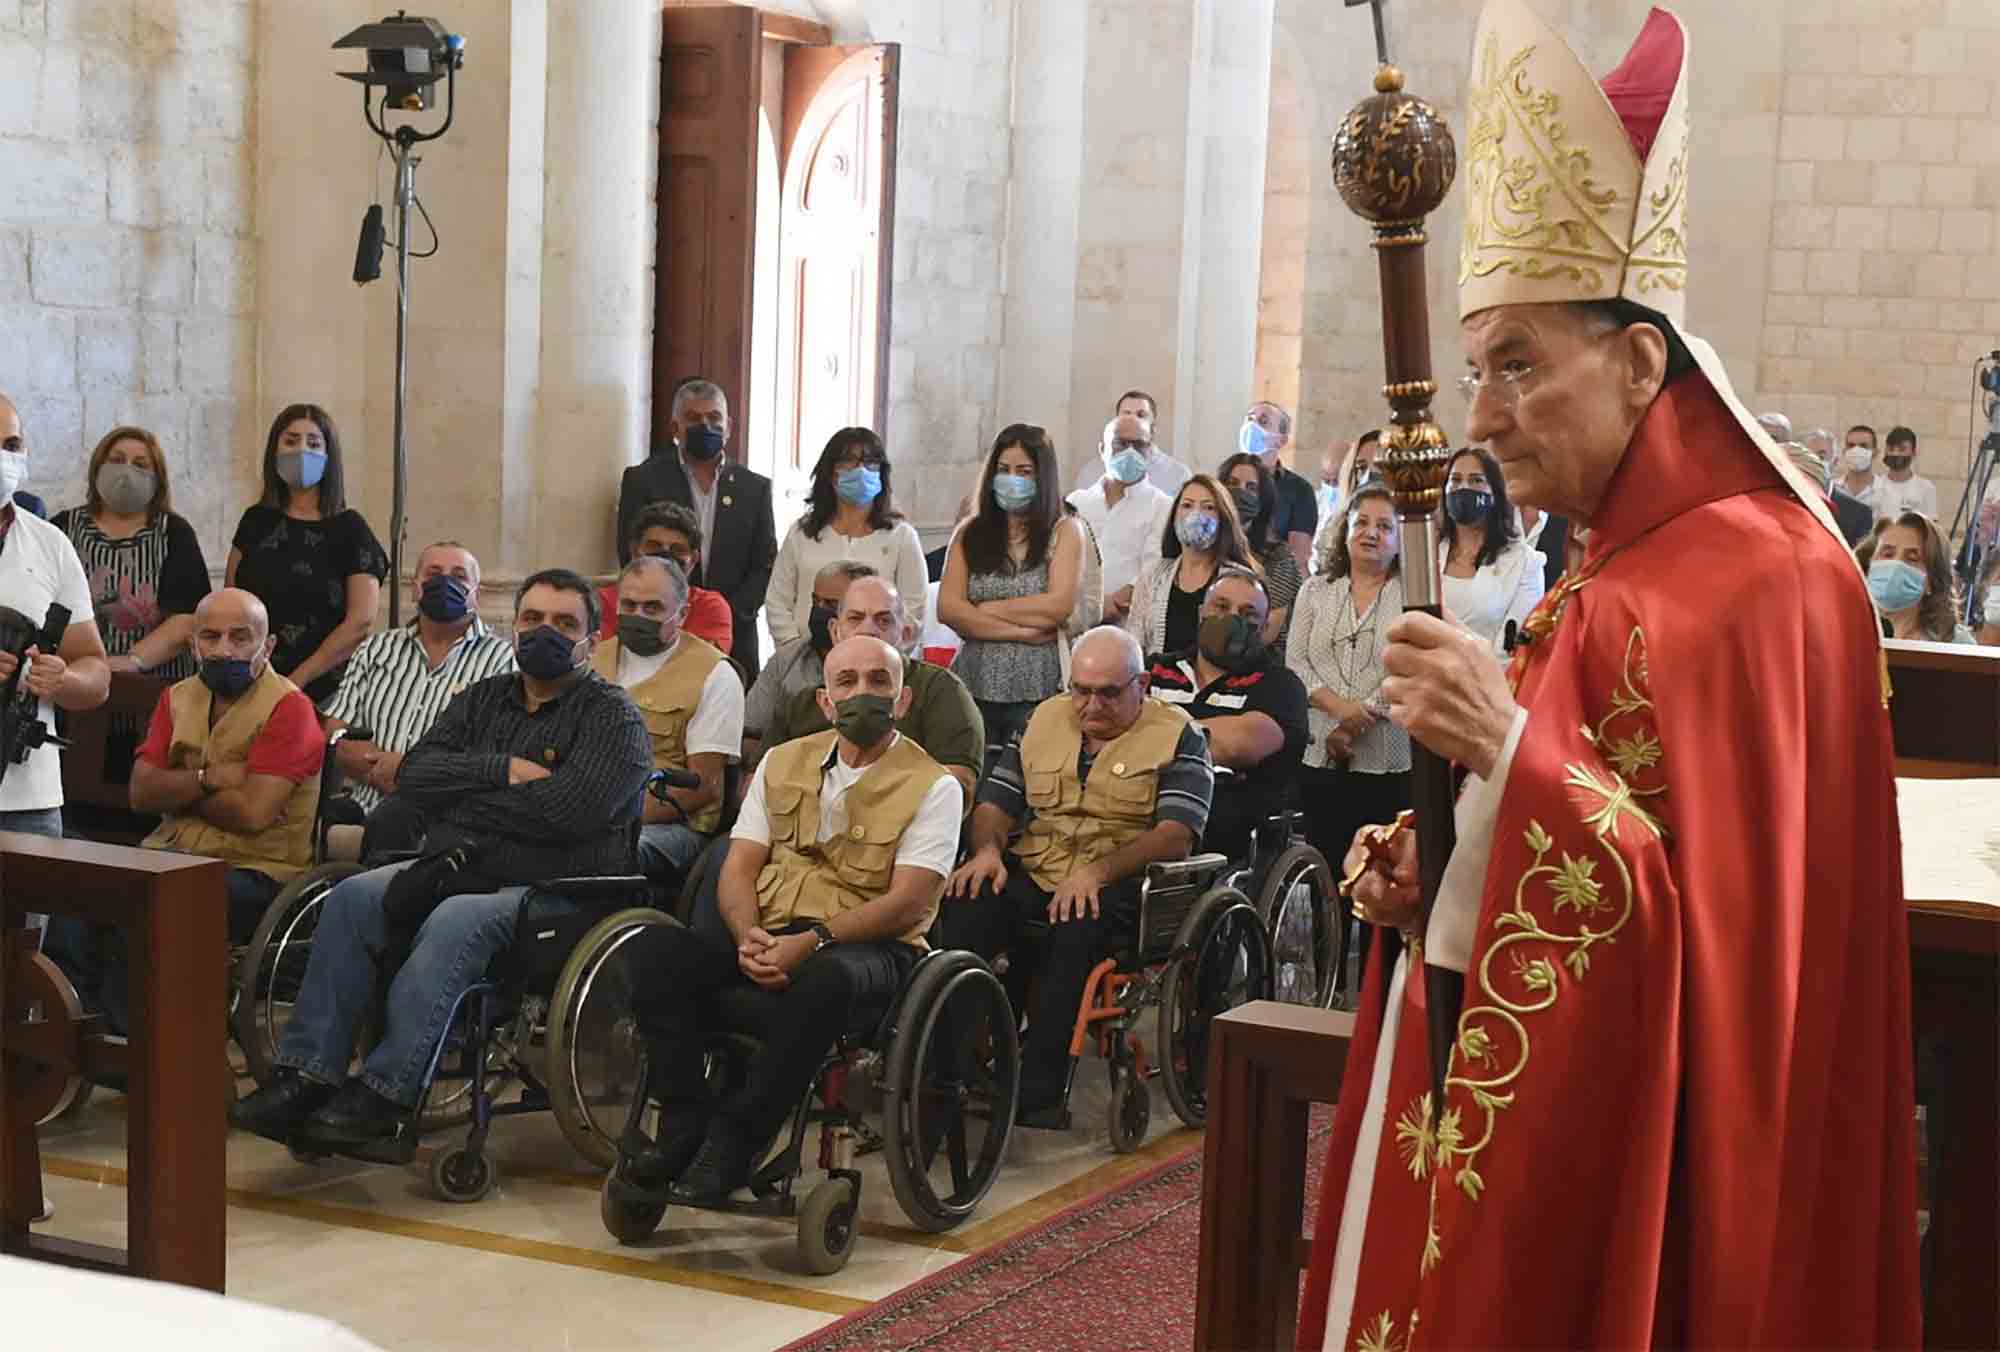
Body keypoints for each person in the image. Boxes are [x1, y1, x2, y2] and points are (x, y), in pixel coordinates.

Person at [1300, 4, 1918, 1345]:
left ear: (1642, 361)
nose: (1478, 415)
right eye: (1472, 369)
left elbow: (1718, 953)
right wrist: (1436, 885)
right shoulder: (1607, 570)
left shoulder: (1763, 581)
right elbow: (1598, 855)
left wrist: (1508, 754)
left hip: (1698, 1186)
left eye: (1519, 362)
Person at [230, 569, 653, 1149]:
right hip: (459, 865)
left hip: (560, 889)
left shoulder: (613, 718)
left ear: (592, 640)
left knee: (460, 918)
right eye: (532, 620)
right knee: (352, 895)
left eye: (564, 624)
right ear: (514, 626)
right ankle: (307, 1073)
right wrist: (497, 771)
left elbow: (568, 813)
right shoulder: (484, 700)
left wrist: (463, 810)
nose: (544, 633)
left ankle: (386, 1092)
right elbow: (415, 775)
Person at [609, 635, 961, 1202]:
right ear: (825, 700)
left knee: (829, 978)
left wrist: (814, 942)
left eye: (878, 681)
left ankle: (739, 1138)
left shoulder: (935, 785)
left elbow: (909, 902)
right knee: (653, 949)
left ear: (902, 700)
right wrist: (747, 933)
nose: (861, 693)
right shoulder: (781, 761)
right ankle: (683, 1121)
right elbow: (739, 865)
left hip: (869, 949)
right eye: (846, 682)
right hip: (771, 931)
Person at [943, 627, 1212, 1127]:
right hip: (1040, 866)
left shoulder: (1179, 735)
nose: (1091, 706)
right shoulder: (1042, 719)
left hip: (1123, 879)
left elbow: (1176, 834)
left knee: (1075, 922)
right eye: (1080, 691)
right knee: (966, 901)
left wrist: (1097, 872)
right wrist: (986, 851)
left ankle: (1039, 1091)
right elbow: (997, 803)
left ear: (1143, 684)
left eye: (1108, 693)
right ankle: (948, 1070)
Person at [129, 589, 325, 942]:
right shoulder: (176, 697)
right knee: (98, 888)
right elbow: (141, 793)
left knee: (172, 898)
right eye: (210, 637)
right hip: (171, 855)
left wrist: (175, 790)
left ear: (267, 646)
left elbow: (252, 814)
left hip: (257, 870)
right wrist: (210, 779)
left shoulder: (290, 708)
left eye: (240, 637)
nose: (223, 650)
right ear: (193, 646)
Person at [321, 543, 517, 845]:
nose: (445, 582)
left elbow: (491, 755)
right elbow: (337, 731)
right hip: (362, 804)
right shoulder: (377, 649)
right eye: (434, 573)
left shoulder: (504, 661)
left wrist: (410, 777)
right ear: (415, 589)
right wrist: (382, 772)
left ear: (476, 595)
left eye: (459, 576)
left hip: (445, 815)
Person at [1285, 482, 1411, 911]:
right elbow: (1297, 664)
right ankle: (1328, 972)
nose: (1370, 533)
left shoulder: (1411, 596)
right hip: (1321, 750)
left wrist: (1360, 717)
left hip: (1388, 755)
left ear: (1399, 540)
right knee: (1327, 874)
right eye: (1361, 522)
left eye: (1384, 526)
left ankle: (1376, 975)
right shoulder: (1315, 590)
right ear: (1344, 531)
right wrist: (1339, 713)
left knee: (1382, 880)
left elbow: (1408, 664)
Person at [0, 393, 111, 851]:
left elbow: (96, 673)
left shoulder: (50, 544)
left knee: (27, 924)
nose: (4, 458)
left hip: (27, 800)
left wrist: (62, 679)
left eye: (12, 444)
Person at [764, 574, 983, 805]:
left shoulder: (940, 690)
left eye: (884, 620)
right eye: (855, 618)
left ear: (906, 634)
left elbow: (958, 783)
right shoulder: (804, 701)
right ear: (835, 631)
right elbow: (760, 780)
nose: (868, 630)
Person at [590, 555, 743, 882]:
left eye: (652, 608)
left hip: (670, 826)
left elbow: (703, 789)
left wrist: (608, 821)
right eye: (628, 605)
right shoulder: (593, 658)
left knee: (599, 854)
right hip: (584, 809)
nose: (637, 616)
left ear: (683, 614)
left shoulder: (714, 673)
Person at [227, 404, 388, 706]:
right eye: (290, 441)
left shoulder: (351, 529)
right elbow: (232, 601)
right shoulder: (256, 521)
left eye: (313, 443)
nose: (301, 450)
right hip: (250, 679)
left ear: (330, 457)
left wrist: (294, 683)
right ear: (274, 450)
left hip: (325, 688)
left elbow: (360, 623)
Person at [1143, 567, 1307, 860]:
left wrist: (1136, 738)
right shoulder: (1154, 669)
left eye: (1248, 614)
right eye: (1221, 606)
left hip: (1223, 836)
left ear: (1264, 627)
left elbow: (1234, 744)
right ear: (1201, 612)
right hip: (1132, 815)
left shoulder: (1280, 685)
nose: (1232, 619)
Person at [617, 379, 777, 678]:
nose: (706, 425)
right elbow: (631, 556)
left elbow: (764, 564)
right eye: (693, 418)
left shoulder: (754, 488)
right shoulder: (643, 480)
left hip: (734, 635)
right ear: (675, 428)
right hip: (657, 630)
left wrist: (721, 613)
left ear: (728, 426)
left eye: (714, 418)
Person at [940, 424, 1084, 748]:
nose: (1012, 479)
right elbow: (949, 609)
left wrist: (984, 610)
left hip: (1038, 685)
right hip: (973, 682)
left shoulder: (1065, 531)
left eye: (1024, 471)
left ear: (1042, 477)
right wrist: (1022, 631)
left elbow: (1058, 607)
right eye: (1004, 470)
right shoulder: (969, 532)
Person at [53, 425, 212, 680]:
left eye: (140, 465)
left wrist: (130, 661)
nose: (127, 472)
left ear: (157, 478)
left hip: (154, 684)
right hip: (73, 681)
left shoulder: (174, 533)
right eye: (116, 460)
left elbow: (188, 618)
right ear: (97, 469)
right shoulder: (61, 528)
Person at [766, 427, 927, 648]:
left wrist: (882, 654)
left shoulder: (901, 536)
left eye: (870, 462)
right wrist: (795, 652)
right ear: (831, 473)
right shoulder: (802, 532)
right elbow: (778, 602)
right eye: (849, 461)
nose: (860, 469)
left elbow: (914, 609)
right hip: (806, 656)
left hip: (878, 659)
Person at [741, 560, 875, 766]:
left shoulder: (886, 669)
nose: (819, 611)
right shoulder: (787, 659)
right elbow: (750, 735)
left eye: (831, 605)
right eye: (815, 602)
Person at [1126, 474, 1262, 656]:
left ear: (1223, 518)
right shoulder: (1153, 576)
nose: (1196, 515)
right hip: (1156, 679)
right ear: (1174, 516)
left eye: (1208, 507)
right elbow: (1134, 643)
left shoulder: (1239, 580)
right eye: (1187, 505)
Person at [1066, 413, 1171, 625]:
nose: (1130, 452)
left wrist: (1111, 604)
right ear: (1102, 449)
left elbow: (1154, 569)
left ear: (1150, 452)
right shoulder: (1076, 502)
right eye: (1121, 443)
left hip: (1127, 624)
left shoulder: (1163, 506)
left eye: (1139, 445)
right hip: (1074, 620)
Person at [1438, 445, 1544, 653]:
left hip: (1488, 679)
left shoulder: (1525, 562)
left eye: (1476, 480)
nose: (1463, 488)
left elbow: (1514, 650)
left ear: (1495, 493)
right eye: (1456, 480)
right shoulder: (1427, 553)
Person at [598, 502, 734, 653]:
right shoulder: (602, 602)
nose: (665, 555)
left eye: (678, 549)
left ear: (694, 559)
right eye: (654, 546)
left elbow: (702, 667)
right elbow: (601, 661)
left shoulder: (709, 607)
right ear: (635, 551)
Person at [1218, 450, 1304, 652]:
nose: (1240, 492)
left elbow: (1267, 631)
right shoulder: (1209, 546)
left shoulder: (1279, 556)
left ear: (1262, 499)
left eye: (1251, 488)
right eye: (1232, 484)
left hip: (1259, 658)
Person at [1860, 512, 1975, 644]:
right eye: (1887, 554)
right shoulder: (1847, 629)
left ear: (1932, 579)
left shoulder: (1957, 643)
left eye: (1912, 559)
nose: (1896, 565)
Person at [1240, 401, 1318, 571]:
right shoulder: (1224, 481)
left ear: (1281, 440)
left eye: (1263, 421)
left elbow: (1298, 558)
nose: (1251, 426)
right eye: (1249, 419)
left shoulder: (1299, 490)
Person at [1071, 390, 1190, 494]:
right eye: (1127, 414)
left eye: (1141, 415)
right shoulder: (1090, 473)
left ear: (1153, 426)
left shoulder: (1178, 474)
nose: (1133, 419)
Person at [1873, 425, 1938, 522]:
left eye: (1902, 449)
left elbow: (1932, 526)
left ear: (1914, 452)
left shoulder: (1926, 488)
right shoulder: (1874, 485)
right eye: (1891, 449)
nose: (1895, 454)